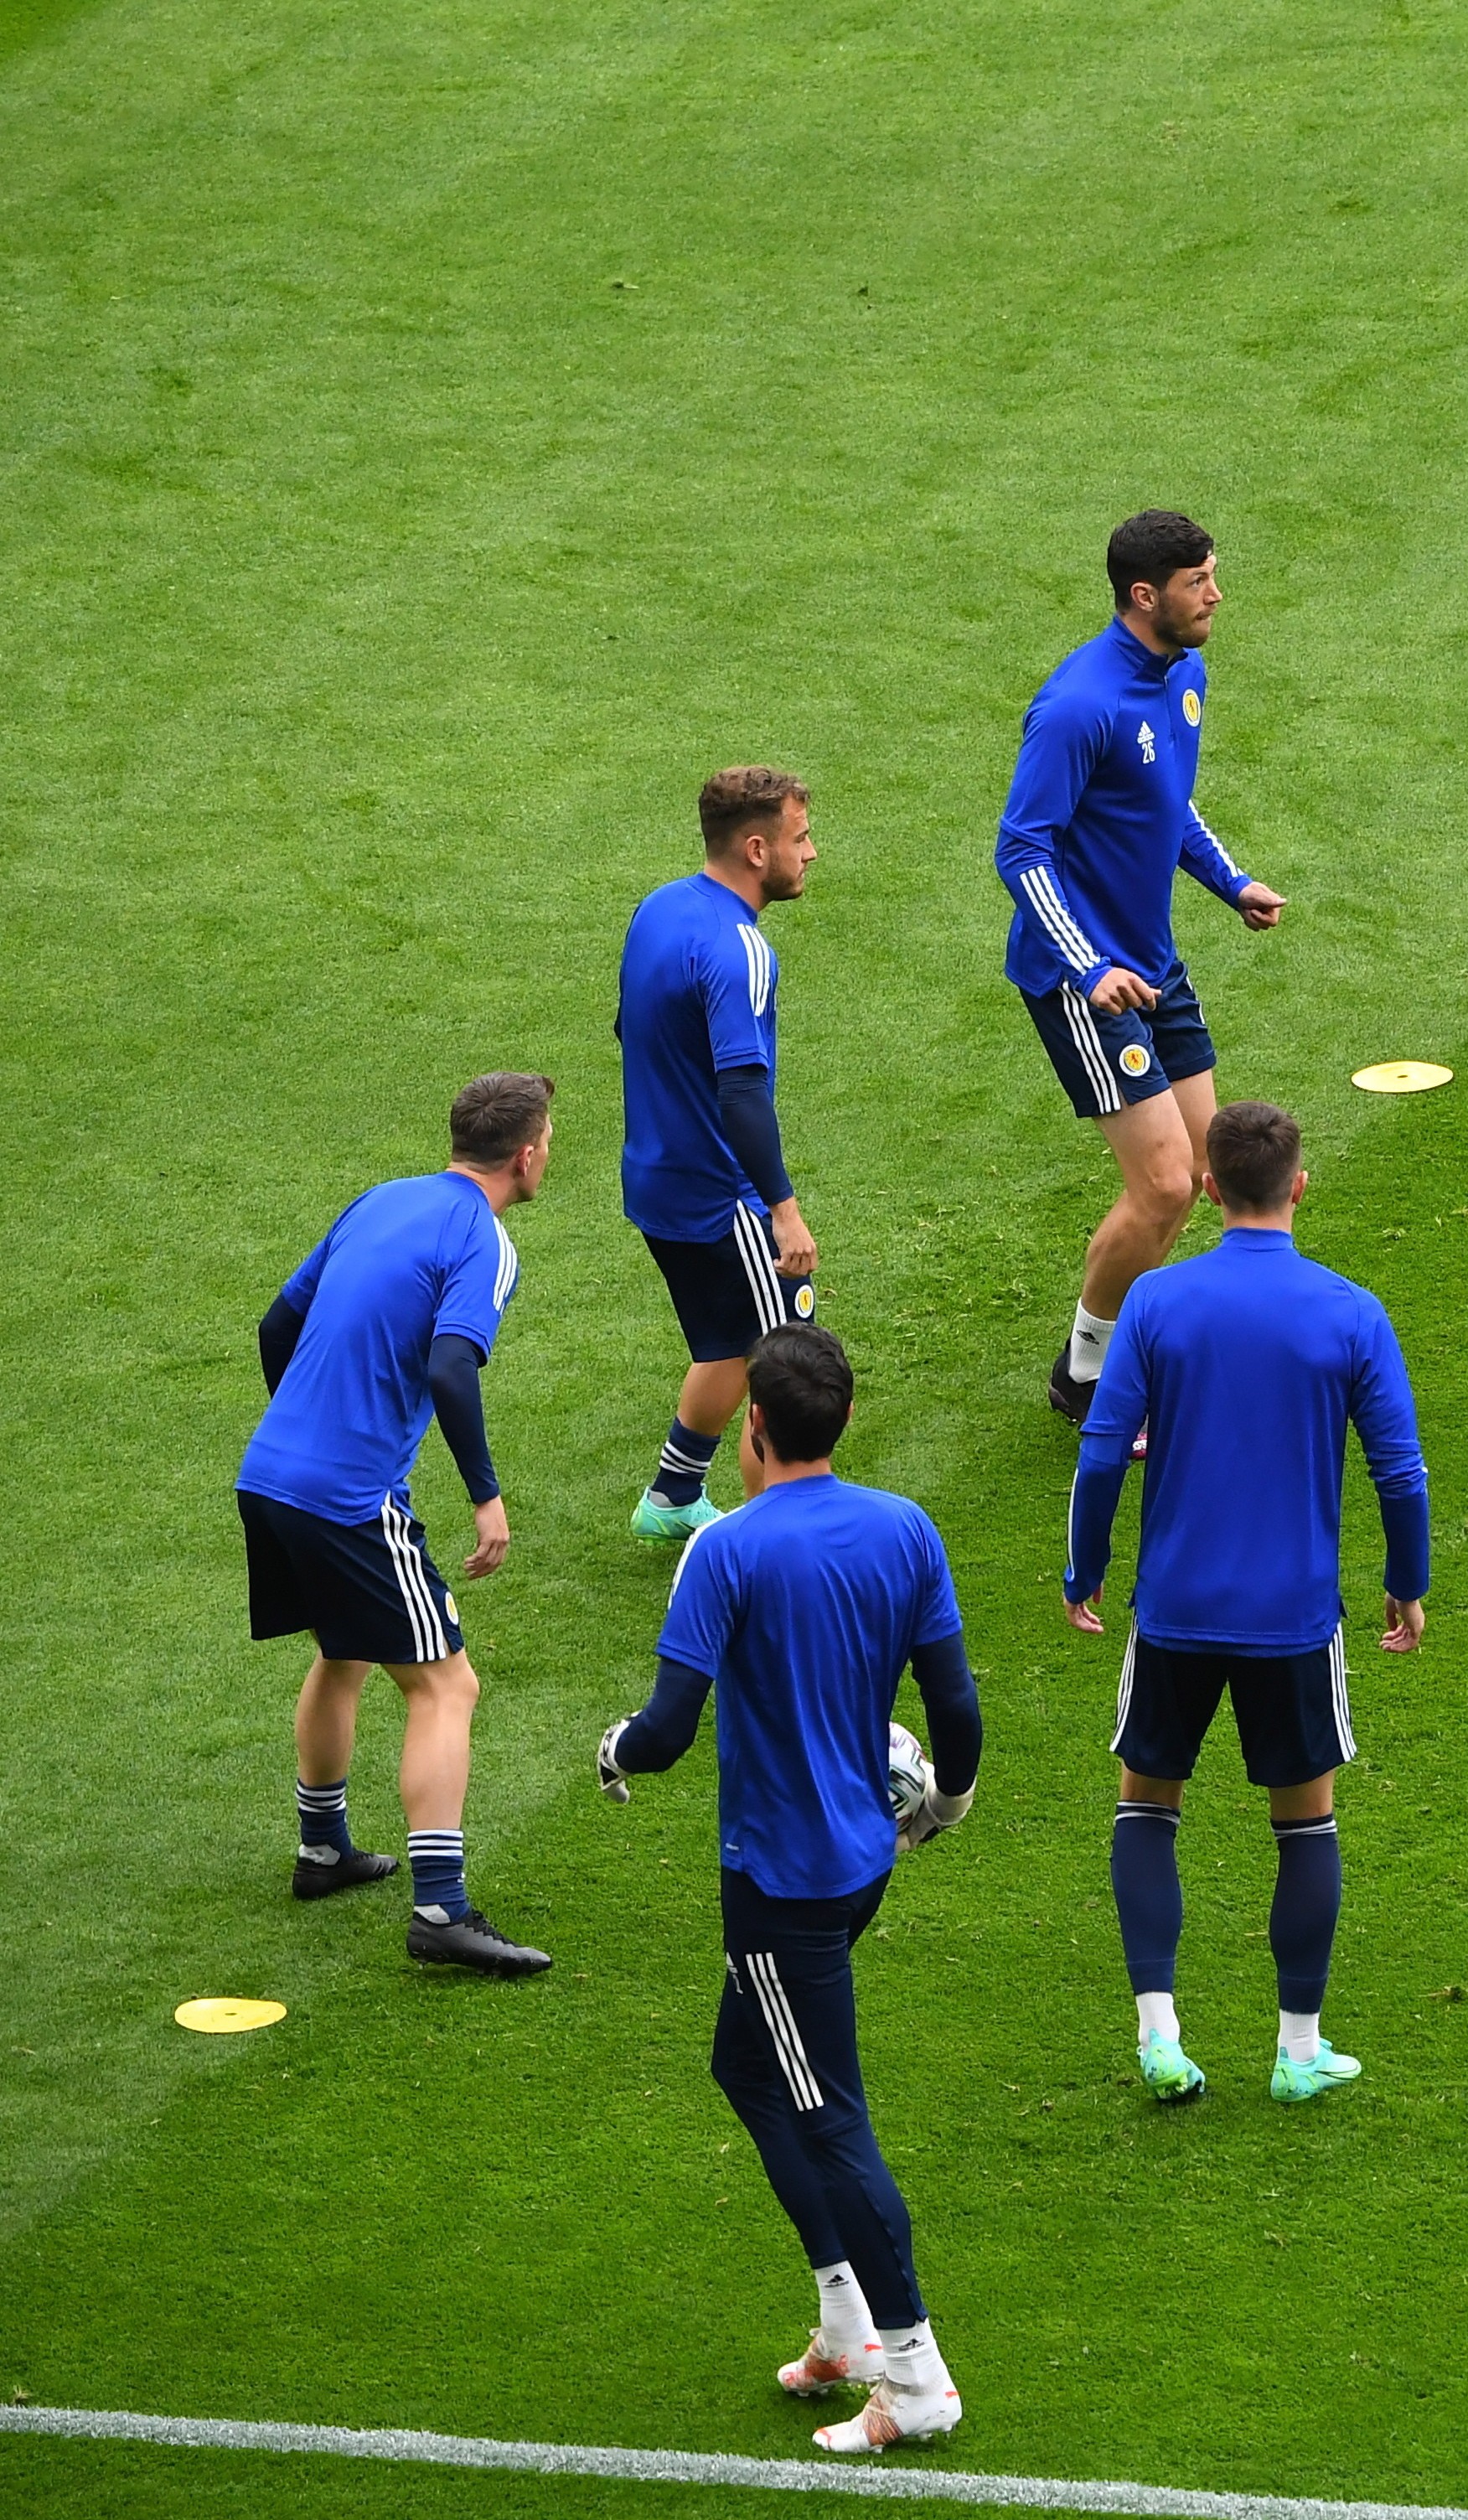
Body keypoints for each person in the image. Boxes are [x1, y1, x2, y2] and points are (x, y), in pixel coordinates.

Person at [597, 1323, 979, 2455]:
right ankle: (845, 2320)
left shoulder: (725, 1551)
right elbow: (954, 1705)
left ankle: (914, 2376)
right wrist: (945, 1804)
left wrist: (615, 1746)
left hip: (782, 1886)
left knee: (827, 2114)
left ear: (752, 1426)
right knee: (747, 2065)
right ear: (844, 1418)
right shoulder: (904, 1527)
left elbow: (668, 1730)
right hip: (862, 1863)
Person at [1064, 1102, 1428, 2105]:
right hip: (1293, 1618)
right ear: (1299, 1186)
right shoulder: (1350, 1311)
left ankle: (1160, 2035)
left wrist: (1084, 1565)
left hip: (1176, 1608)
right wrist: (1408, 1582)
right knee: (1305, 1823)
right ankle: (1297, 2050)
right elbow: (1399, 1470)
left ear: (1211, 1187)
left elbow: (1103, 1450)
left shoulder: (1156, 1302)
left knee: (1147, 1804)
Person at [237, 1073, 554, 1976]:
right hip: (347, 1494)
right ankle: (442, 1910)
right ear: (526, 1154)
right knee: (447, 1686)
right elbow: (452, 1366)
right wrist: (486, 1495)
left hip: (269, 1471)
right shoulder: (484, 1239)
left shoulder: (379, 1199)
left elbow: (277, 1324)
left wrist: (310, 1422)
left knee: (344, 1651)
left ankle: (323, 1848)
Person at [1001, 508, 1290, 1421]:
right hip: (1082, 978)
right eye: (1197, 582)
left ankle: (1132, 1347)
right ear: (1143, 595)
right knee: (1163, 1183)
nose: (1216, 595)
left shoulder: (1184, 674)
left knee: (1209, 1169)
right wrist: (1089, 967)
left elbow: (1167, 801)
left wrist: (1232, 882)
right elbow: (1023, 850)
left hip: (1152, 963)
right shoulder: (1077, 706)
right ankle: (1087, 1374)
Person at [617, 765, 824, 1542]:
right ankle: (774, 1549)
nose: (811, 852)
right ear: (757, 849)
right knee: (788, 1363)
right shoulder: (740, 949)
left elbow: (629, 1029)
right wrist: (783, 1210)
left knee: (728, 1340)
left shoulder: (658, 908)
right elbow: (742, 1095)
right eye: (801, 838)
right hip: (721, 1197)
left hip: (654, 1180)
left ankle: (673, 1496)